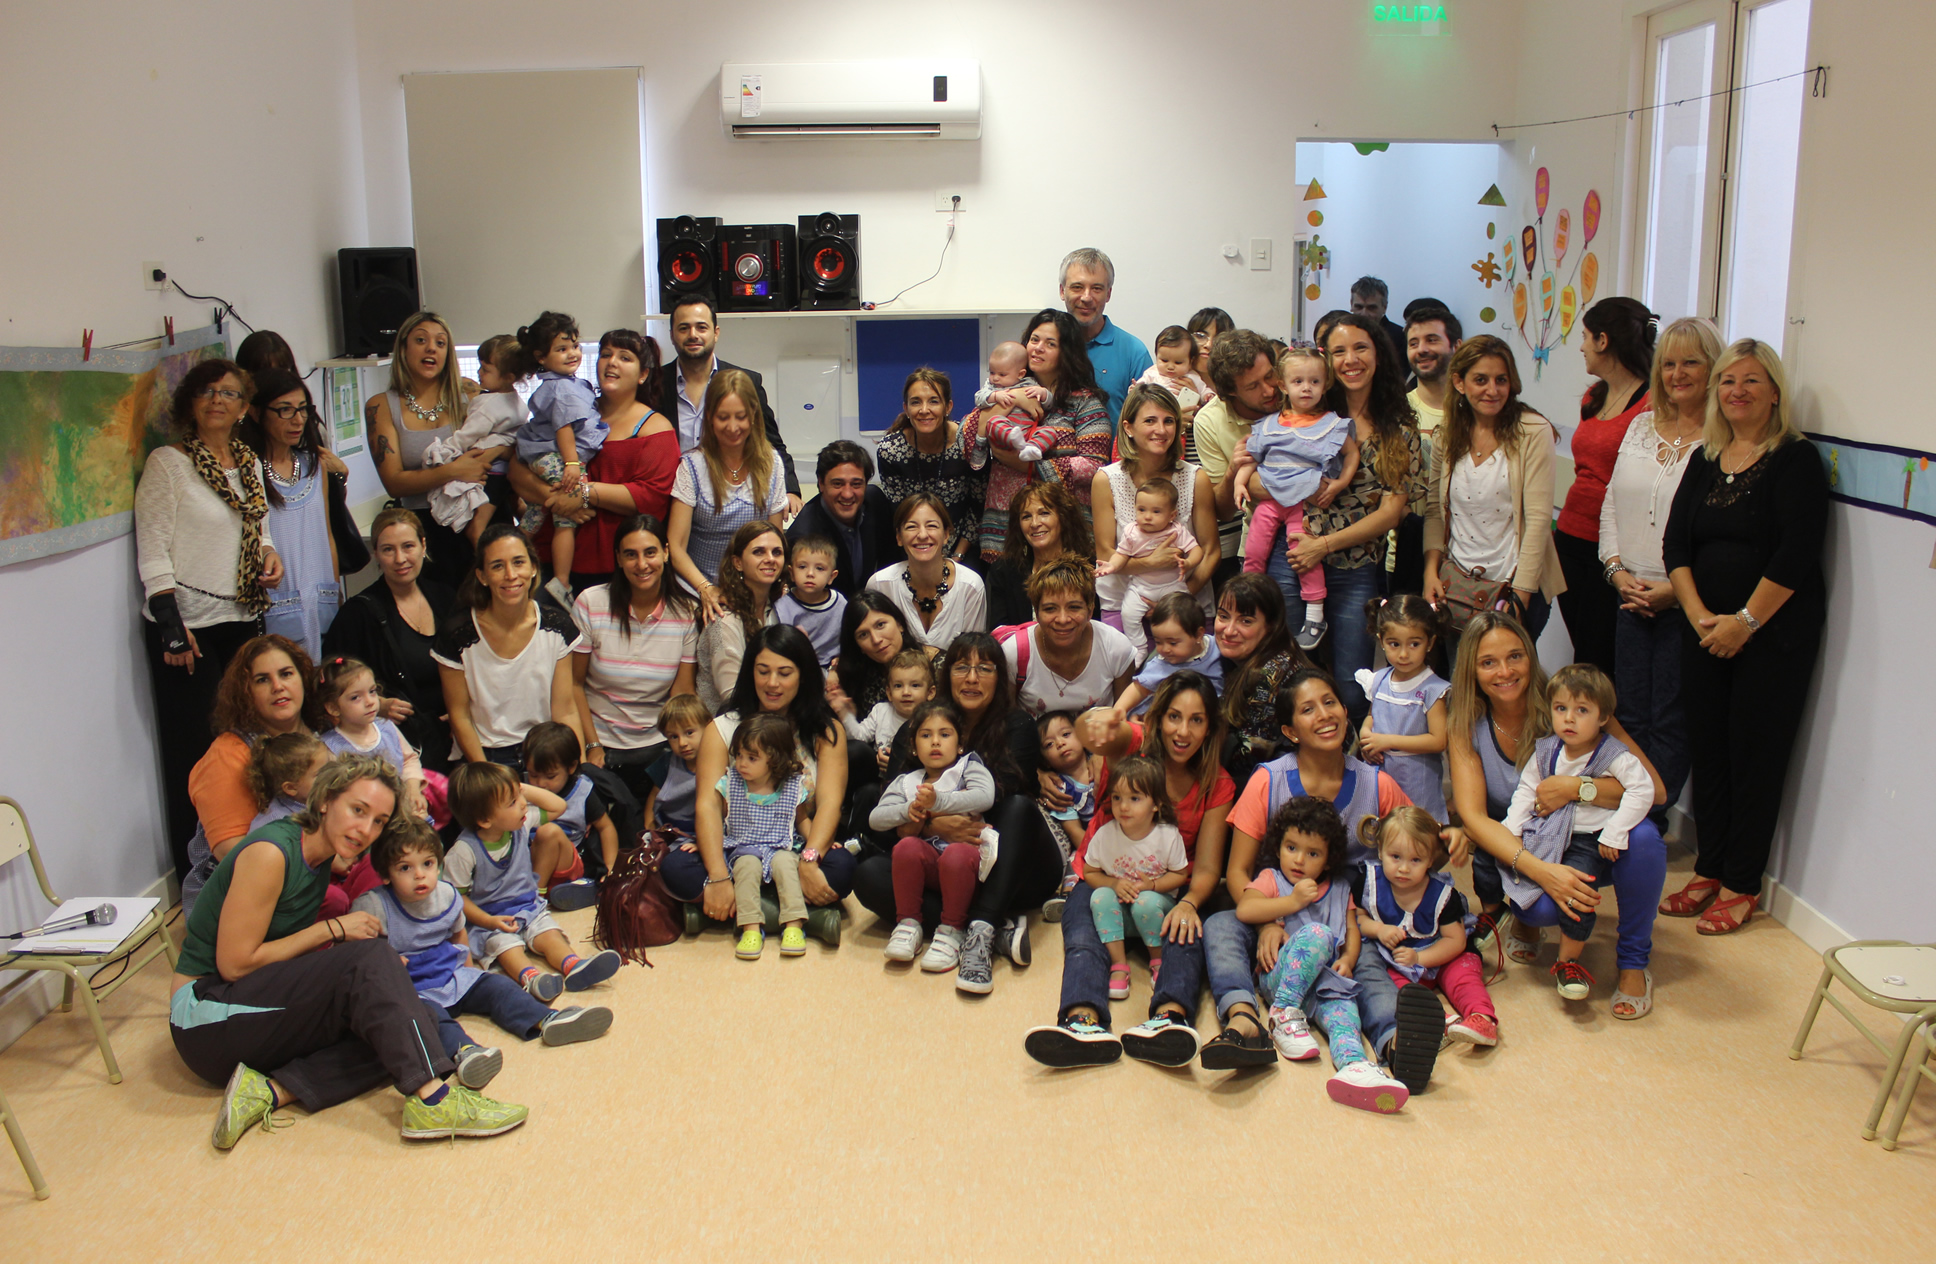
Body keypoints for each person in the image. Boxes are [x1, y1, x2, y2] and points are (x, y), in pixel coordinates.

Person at [168, 755, 529, 1149]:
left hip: (252, 1009)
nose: (365, 829)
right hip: (205, 1019)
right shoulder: (271, 853)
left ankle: (269, 1091)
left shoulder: (319, 855)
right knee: (374, 962)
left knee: (407, 1014)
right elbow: (235, 965)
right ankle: (433, 1100)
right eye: (358, 810)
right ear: (325, 800)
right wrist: (336, 930)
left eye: (377, 821)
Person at [1658, 339, 1828, 937]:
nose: (1737, 391)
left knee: (1755, 755)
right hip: (1704, 630)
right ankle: (1708, 867)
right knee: (1710, 750)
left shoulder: (1794, 460)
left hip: (1771, 639)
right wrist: (1700, 612)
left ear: (1774, 390)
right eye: (1728, 381)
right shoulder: (1707, 456)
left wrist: (1744, 623)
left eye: (1750, 381)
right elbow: (1676, 543)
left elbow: (1795, 555)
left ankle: (1742, 882)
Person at [1198, 669, 1434, 1087]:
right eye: (1308, 709)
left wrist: (1447, 838)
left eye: (1330, 703)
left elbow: (1419, 844)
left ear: (1346, 711)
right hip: (1272, 908)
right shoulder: (1267, 781)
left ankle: (1395, 1041)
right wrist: (1270, 920)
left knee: (1367, 964)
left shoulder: (1376, 784)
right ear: (1290, 730)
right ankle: (1244, 1021)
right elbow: (1237, 871)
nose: (1324, 715)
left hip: (1339, 915)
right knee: (1219, 926)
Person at [1446, 612, 1667, 1021]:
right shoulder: (1465, 720)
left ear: (1530, 656)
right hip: (1526, 844)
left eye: (1515, 656)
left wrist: (1575, 788)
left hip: (1592, 837)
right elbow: (1475, 819)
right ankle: (1524, 919)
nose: (1505, 671)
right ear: (1472, 671)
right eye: (1488, 662)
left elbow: (1656, 789)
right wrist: (1543, 872)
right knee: (1543, 909)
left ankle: (1634, 962)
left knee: (1647, 839)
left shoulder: (1571, 702)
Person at [1021, 672, 1235, 1069]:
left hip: (1165, 889)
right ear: (1156, 720)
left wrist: (1188, 903)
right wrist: (1098, 722)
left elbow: (1206, 867)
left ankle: (1170, 1019)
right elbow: (1092, 733)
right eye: (1173, 717)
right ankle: (1081, 1022)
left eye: (1196, 720)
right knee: (1082, 929)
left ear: (1211, 727)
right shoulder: (1136, 744)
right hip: (1105, 876)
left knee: (1187, 930)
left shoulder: (1217, 783)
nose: (1183, 731)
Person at [854, 633, 1067, 992]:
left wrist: (938, 817)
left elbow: (1000, 801)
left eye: (984, 668)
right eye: (962, 667)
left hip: (1007, 862)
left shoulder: (1018, 726)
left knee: (1019, 808)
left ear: (999, 677)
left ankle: (981, 929)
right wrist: (933, 826)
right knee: (869, 876)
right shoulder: (913, 731)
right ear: (945, 676)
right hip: (940, 858)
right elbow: (889, 810)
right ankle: (992, 926)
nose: (972, 678)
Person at [137, 359, 285, 869]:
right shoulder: (168, 463)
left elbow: (259, 529)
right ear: (190, 403)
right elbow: (153, 549)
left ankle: (251, 856)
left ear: (244, 408)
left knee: (249, 743)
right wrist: (171, 626)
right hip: (189, 628)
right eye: (206, 392)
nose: (217, 400)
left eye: (228, 393)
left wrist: (269, 555)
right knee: (198, 752)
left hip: (242, 618)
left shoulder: (247, 461)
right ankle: (201, 868)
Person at [352, 819, 612, 1086]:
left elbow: (458, 932)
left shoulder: (446, 895)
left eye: (427, 864)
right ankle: (466, 1052)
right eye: (405, 868)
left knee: (497, 986)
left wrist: (469, 970)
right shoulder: (374, 906)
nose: (420, 875)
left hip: (450, 974)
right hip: (413, 989)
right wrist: (388, 960)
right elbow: (357, 953)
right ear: (385, 874)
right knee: (430, 1020)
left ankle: (547, 1019)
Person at [1601, 317, 1722, 824]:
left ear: (1714, 368)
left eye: (1691, 361)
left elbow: (1716, 534)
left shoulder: (1720, 441)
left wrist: (1676, 589)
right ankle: (1631, 808)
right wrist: (1614, 570)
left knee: (1672, 719)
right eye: (1668, 362)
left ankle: (1652, 817)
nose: (1678, 373)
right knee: (1628, 714)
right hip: (1628, 596)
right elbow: (1611, 504)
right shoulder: (1639, 424)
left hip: (1684, 602)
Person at [674, 627, 856, 946]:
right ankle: (802, 915)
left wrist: (811, 860)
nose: (772, 683)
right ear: (750, 672)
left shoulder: (826, 731)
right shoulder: (724, 727)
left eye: (784, 673)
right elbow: (707, 805)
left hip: (794, 848)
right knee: (677, 867)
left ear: (803, 677)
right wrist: (717, 875)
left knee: (841, 869)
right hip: (736, 848)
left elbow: (829, 804)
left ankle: (733, 912)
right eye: (763, 671)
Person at [1239, 797, 1410, 1113]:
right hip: (1281, 978)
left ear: (1329, 859)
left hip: (1326, 983)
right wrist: (1291, 903)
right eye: (1291, 848)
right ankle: (1282, 1015)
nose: (1299, 860)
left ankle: (1354, 1068)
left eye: (1313, 853)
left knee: (1346, 1013)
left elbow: (1352, 929)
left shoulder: (1341, 888)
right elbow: (1246, 908)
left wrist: (1348, 959)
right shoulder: (1272, 879)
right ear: (1278, 847)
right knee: (1320, 935)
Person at [1290, 315, 1422, 721]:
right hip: (1295, 563)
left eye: (1360, 348)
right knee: (1294, 675)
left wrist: (1324, 546)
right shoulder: (1307, 414)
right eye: (1339, 351)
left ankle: (1345, 766)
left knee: (1351, 683)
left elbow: (1390, 512)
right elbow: (1268, 479)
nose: (1351, 359)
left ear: (1379, 354)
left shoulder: (1398, 428)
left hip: (1357, 568)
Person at [1501, 663, 1657, 1001]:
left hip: (1588, 841)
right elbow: (1527, 790)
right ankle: (1494, 918)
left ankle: (1567, 962)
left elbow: (1644, 790)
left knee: (1578, 895)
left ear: (1603, 717)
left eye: (1582, 710)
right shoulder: (1546, 750)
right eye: (1561, 709)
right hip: (1546, 834)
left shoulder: (1613, 753)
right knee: (1497, 865)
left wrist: (1615, 831)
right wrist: (1512, 832)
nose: (1569, 719)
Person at [507, 329, 677, 592]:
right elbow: (519, 466)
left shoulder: (655, 429)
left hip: (618, 565)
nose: (612, 362)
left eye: (625, 357)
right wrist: (557, 499)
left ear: (643, 374)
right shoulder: (568, 408)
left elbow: (652, 496)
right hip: (548, 558)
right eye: (606, 354)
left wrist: (584, 494)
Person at [1421, 335, 1561, 638]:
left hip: (1512, 585)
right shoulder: (1447, 434)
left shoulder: (1533, 431)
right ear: (1460, 383)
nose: (1492, 390)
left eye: (1501, 380)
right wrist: (1430, 572)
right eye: (1480, 380)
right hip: (1456, 585)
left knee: (1506, 679)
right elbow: (1435, 510)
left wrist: (1520, 598)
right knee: (1459, 678)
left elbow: (1538, 520)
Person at [444, 762, 623, 998]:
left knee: (549, 934)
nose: (522, 804)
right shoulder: (463, 851)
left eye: (520, 797)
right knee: (507, 948)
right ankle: (532, 979)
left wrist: (520, 789)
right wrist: (489, 921)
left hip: (529, 906)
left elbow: (559, 806)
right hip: (490, 920)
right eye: (512, 802)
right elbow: (456, 898)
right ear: (485, 820)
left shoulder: (520, 823)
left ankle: (574, 965)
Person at [179, 634, 326, 913]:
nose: (278, 687)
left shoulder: (325, 731)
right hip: (246, 889)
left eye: (286, 674)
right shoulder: (227, 754)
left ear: (303, 678)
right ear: (245, 692)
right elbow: (232, 853)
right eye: (262, 680)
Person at [570, 514, 700, 807]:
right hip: (600, 742)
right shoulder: (591, 603)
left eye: (650, 552)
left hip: (659, 745)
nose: (642, 565)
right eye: (631, 555)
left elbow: (681, 694)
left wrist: (681, 751)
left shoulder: (686, 612)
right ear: (618, 559)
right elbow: (573, 684)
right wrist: (591, 746)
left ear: (666, 553)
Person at [961, 309, 1114, 559]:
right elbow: (967, 437)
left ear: (1067, 352)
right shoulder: (1001, 385)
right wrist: (1013, 399)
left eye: (1050, 343)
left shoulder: (1086, 403)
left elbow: (1094, 466)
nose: (1038, 348)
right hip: (1005, 529)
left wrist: (1029, 466)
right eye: (1034, 340)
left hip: (1065, 533)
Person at [1232, 347, 1359, 647]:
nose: (1306, 388)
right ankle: (1251, 602)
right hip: (1270, 500)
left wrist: (1340, 484)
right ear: (1282, 385)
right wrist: (1239, 483)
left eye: (1314, 382)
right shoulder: (1269, 424)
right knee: (1255, 549)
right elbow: (1251, 459)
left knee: (1302, 554)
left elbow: (1351, 453)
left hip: (1304, 504)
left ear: (1325, 384)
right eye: (1298, 381)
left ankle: (1315, 615)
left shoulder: (1330, 423)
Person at [1558, 298, 1658, 675]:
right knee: (1581, 647)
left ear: (1603, 340)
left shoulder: (1650, 403)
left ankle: (1595, 731)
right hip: (1569, 537)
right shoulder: (1593, 396)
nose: (1581, 346)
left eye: (1585, 337)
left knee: (1596, 656)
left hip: (1612, 548)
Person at [434, 524, 583, 768]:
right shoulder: (457, 635)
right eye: (497, 566)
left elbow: (565, 711)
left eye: (518, 562)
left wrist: (578, 769)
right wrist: (487, 774)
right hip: (484, 757)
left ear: (534, 568)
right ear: (482, 576)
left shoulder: (558, 626)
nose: (511, 575)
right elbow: (460, 717)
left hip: (546, 753)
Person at [323, 508, 459, 776]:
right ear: (375, 554)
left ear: (423, 546)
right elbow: (330, 682)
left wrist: (463, 713)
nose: (400, 559)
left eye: (408, 546)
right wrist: (377, 704)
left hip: (458, 732)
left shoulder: (446, 598)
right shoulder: (357, 614)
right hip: (401, 747)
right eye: (388, 550)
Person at [875, 701, 1002, 973]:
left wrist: (937, 802)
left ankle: (952, 930)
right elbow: (876, 819)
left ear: (959, 744)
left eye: (944, 735)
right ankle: (908, 924)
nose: (935, 742)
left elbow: (985, 797)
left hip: (970, 866)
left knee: (956, 854)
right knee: (907, 846)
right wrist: (908, 810)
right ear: (913, 745)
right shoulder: (908, 782)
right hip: (933, 868)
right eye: (925, 735)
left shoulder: (969, 767)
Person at [1355, 807, 1496, 1047]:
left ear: (1431, 860)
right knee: (1391, 985)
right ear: (1380, 850)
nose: (1403, 868)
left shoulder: (1443, 896)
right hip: (1398, 961)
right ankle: (1437, 1022)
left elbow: (1455, 941)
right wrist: (1378, 930)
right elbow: (1358, 918)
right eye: (1395, 857)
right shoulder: (1368, 882)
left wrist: (1420, 957)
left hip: (1444, 955)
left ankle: (1481, 1018)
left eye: (1416, 860)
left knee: (1464, 976)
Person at [364, 311, 486, 586]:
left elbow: (490, 454)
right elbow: (394, 483)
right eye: (421, 340)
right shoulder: (381, 405)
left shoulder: (469, 394)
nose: (432, 348)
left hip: (473, 520)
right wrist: (453, 470)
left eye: (441, 343)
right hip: (418, 533)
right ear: (404, 348)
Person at [1091, 382, 1219, 638]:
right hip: (1123, 606)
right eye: (1150, 420)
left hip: (1187, 608)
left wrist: (1178, 598)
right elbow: (1106, 553)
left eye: (1169, 421)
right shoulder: (1106, 479)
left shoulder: (1196, 478)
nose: (1161, 430)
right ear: (1128, 427)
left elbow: (1211, 551)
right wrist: (1151, 563)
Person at [668, 369, 789, 619]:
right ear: (710, 417)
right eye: (723, 417)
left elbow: (774, 541)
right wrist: (706, 589)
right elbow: (676, 548)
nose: (733, 427)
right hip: (698, 588)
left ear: (754, 416)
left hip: (754, 587)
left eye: (741, 417)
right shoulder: (691, 466)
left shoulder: (772, 464)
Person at [659, 296, 800, 508]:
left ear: (716, 333)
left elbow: (770, 440)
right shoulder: (654, 385)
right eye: (683, 328)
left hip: (728, 502)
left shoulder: (746, 382)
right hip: (671, 501)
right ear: (672, 335)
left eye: (701, 327)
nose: (693, 335)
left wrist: (790, 490)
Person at [244, 369, 343, 659]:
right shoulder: (250, 471)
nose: (298, 420)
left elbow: (327, 534)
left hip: (321, 593)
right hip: (279, 597)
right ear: (256, 413)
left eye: (302, 410)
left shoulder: (315, 465)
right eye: (285, 410)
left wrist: (335, 589)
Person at [508, 312, 602, 604]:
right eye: (561, 349)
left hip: (540, 454)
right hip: (553, 456)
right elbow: (564, 429)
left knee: (537, 511)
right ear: (541, 357)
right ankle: (561, 582)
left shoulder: (565, 383)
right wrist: (572, 464)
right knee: (566, 518)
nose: (571, 353)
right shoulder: (561, 387)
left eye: (574, 346)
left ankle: (512, 547)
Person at [1080, 756, 1189, 1000]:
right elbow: (1089, 872)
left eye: (1134, 798)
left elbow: (1181, 874)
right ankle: (1119, 965)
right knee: (1100, 896)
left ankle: (1157, 960)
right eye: (1117, 798)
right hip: (1120, 916)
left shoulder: (1168, 836)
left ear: (1156, 804)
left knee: (1146, 902)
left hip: (1156, 911)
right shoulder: (1105, 834)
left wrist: (1153, 885)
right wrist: (1113, 884)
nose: (1124, 807)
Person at [716, 712, 816, 959]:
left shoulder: (792, 786)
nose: (741, 763)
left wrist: (817, 846)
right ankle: (750, 928)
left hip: (780, 846)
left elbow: (801, 819)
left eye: (751, 757)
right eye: (738, 755)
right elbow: (715, 820)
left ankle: (794, 925)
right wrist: (702, 845)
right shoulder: (731, 783)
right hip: (743, 847)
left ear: (775, 759)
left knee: (786, 864)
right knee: (747, 866)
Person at [1194, 330, 1284, 588]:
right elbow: (1222, 511)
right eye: (1253, 386)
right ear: (1230, 392)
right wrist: (1233, 470)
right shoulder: (1209, 420)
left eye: (1270, 376)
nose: (1269, 390)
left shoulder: (1295, 391)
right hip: (1259, 539)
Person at [424, 333, 525, 548]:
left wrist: (447, 450)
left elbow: (468, 435)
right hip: (508, 472)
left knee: (476, 528)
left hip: (492, 472)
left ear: (508, 376)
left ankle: (487, 562)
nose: (479, 373)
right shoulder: (517, 401)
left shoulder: (487, 404)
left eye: (486, 370)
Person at [1003, 558, 1137, 718]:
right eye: (1050, 609)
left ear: (1090, 609)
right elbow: (1007, 723)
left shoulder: (1115, 647)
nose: (1062, 619)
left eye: (1074, 607)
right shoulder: (1014, 652)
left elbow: (1124, 722)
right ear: (1036, 613)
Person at [1355, 593, 1451, 818]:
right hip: (1382, 774)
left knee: (1416, 832)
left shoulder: (1432, 689)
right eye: (1394, 644)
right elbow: (1373, 715)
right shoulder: (1378, 680)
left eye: (1414, 644)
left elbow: (1439, 740)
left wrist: (1386, 741)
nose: (1404, 654)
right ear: (1381, 641)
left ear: (1430, 642)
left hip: (1418, 780)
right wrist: (1365, 733)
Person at [875, 372, 981, 569]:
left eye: (933, 401)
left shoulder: (968, 443)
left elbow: (978, 508)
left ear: (948, 407)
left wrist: (957, 557)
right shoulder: (890, 450)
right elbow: (899, 513)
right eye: (916, 402)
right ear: (906, 408)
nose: (924, 410)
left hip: (963, 546)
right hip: (913, 544)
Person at [1212, 574, 1307, 787]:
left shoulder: (1271, 673)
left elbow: (1246, 764)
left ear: (1271, 626)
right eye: (1223, 616)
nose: (1228, 630)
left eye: (1246, 621)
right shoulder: (1241, 657)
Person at [1395, 306, 1464, 593]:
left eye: (1432, 340)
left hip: (1464, 554)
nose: (1422, 350)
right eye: (1414, 343)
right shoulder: (1397, 412)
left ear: (1456, 346)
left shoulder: (1475, 412)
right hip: (1403, 551)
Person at [865, 494, 987, 652]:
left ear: (946, 535)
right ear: (899, 537)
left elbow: (972, 656)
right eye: (911, 527)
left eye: (931, 526)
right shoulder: (880, 585)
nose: (922, 535)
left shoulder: (970, 586)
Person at [1097, 478, 1202, 656]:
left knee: (1185, 615)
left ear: (1171, 515)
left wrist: (1189, 562)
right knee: (1128, 614)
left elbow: (1197, 550)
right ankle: (1139, 648)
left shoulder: (1176, 530)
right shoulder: (1132, 532)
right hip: (1141, 588)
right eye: (1141, 510)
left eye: (1156, 511)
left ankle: (1182, 650)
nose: (1147, 516)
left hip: (1173, 587)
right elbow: (1121, 554)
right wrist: (1112, 566)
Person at [791, 439, 905, 602]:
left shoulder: (875, 501)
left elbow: (891, 561)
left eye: (856, 484)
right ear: (821, 483)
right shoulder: (803, 535)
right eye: (838, 484)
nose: (847, 494)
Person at [317, 655, 427, 820]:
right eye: (356, 697)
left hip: (402, 811)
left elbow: (409, 759)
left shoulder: (386, 726)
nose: (369, 702)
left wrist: (412, 788)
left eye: (372, 691)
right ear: (333, 708)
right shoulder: (330, 747)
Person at [695, 521, 785, 713]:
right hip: (727, 725)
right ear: (738, 563)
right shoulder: (724, 618)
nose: (770, 559)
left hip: (770, 716)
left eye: (777, 552)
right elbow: (732, 696)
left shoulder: (781, 607)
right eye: (759, 552)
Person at [521, 721, 617, 898]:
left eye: (550, 777)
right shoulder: (524, 790)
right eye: (533, 775)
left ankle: (536, 896)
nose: (541, 784)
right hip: (528, 860)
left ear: (571, 767)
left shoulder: (583, 791)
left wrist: (610, 868)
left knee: (548, 832)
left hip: (567, 861)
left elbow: (606, 827)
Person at [981, 480, 1095, 629]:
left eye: (1044, 513)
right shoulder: (1003, 571)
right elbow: (1000, 633)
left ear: (1063, 518)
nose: (1034, 523)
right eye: (1026, 516)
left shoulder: (1092, 568)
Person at [1059, 247, 1152, 424]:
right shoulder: (1044, 348)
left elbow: (1150, 419)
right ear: (1062, 291)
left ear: (1108, 294)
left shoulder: (1134, 352)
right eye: (1077, 287)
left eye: (1096, 288)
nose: (1086, 297)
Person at [1113, 592, 1223, 718]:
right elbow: (1138, 689)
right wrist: (1120, 708)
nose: (1165, 649)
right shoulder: (1161, 665)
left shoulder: (1216, 648)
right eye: (1158, 642)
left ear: (1198, 635)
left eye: (1173, 643)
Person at [843, 647, 933, 772]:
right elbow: (859, 737)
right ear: (889, 693)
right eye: (898, 686)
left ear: (930, 693)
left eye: (915, 685)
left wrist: (899, 763)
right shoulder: (881, 711)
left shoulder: (932, 719)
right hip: (878, 776)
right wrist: (844, 713)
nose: (906, 692)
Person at [972, 339, 1056, 462]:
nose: (995, 378)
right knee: (994, 421)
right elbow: (978, 399)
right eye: (992, 372)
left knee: (1050, 432)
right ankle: (987, 444)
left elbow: (1049, 405)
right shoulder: (992, 387)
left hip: (1028, 432)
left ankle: (1031, 448)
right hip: (1004, 433)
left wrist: (1043, 394)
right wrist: (995, 396)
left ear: (1020, 374)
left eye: (1002, 375)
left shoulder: (1029, 383)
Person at [642, 693, 709, 836]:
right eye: (673, 737)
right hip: (668, 830)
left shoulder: (718, 763)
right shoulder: (668, 762)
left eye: (689, 732)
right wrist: (649, 825)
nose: (682, 743)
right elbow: (654, 795)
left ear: (708, 726)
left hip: (702, 831)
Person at [776, 536, 845, 668]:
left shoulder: (840, 602)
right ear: (791, 573)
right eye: (802, 567)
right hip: (796, 668)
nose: (810, 573)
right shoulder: (782, 606)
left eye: (819, 568)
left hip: (835, 668)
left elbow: (848, 639)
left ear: (832, 576)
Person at [1349, 275, 1408, 363]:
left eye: (1371, 308)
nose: (1364, 314)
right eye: (1359, 307)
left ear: (1384, 307)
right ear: (1351, 304)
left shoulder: (1400, 338)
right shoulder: (1344, 334)